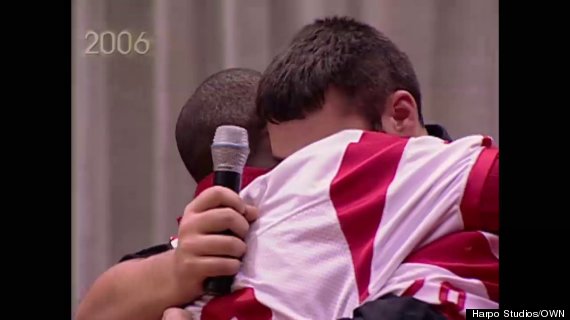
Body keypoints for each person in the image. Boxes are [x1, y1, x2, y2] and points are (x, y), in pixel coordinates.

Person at [182, 16, 498, 319]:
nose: (303, 189)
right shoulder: (253, 223)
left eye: (328, 163)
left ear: (400, 115)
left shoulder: (467, 205)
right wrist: (175, 269)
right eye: (285, 169)